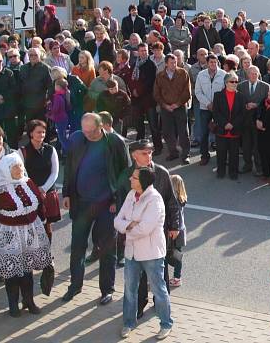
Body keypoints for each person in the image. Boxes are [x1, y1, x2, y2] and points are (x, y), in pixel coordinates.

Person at [62, 113, 131, 304]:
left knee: (106, 248)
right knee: (78, 247)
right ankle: (75, 286)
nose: (87, 135)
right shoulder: (77, 138)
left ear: (101, 127)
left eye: (91, 131)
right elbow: (69, 166)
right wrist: (66, 193)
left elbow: (125, 173)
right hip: (81, 202)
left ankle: (107, 290)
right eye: (84, 131)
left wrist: (118, 202)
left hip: (106, 204)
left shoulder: (115, 143)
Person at [0, 152, 52, 317]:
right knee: (12, 271)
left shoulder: (28, 183)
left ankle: (29, 301)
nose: (19, 169)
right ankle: (13, 305)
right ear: (6, 169)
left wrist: (45, 228)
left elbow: (40, 206)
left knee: (27, 269)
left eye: (20, 165)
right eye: (14, 167)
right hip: (9, 235)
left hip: (29, 233)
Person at [114, 167, 172, 340]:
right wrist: (129, 224)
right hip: (132, 252)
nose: (130, 179)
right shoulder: (131, 194)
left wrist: (128, 226)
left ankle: (166, 323)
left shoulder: (155, 200)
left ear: (143, 182)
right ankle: (129, 323)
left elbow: (145, 228)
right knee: (130, 289)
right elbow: (118, 220)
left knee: (158, 290)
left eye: (134, 178)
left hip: (151, 254)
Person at [20, 120, 61, 240]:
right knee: (30, 227)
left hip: (47, 193)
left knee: (47, 226)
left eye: (43, 132)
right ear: (31, 133)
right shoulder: (22, 152)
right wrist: (34, 189)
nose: (41, 135)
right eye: (38, 132)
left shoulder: (50, 150)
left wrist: (43, 188)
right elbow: (21, 175)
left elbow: (55, 172)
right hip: (30, 194)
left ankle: (47, 256)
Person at [154, 54, 191, 164]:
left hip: (180, 107)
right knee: (167, 132)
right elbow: (156, 93)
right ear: (166, 63)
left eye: (175, 62)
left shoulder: (183, 73)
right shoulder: (160, 76)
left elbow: (187, 91)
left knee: (183, 132)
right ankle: (173, 152)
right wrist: (165, 105)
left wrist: (178, 104)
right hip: (166, 108)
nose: (174, 64)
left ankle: (185, 154)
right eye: (171, 63)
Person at [212, 71, 246, 180]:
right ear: (226, 82)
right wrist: (225, 124)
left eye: (236, 81)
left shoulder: (240, 96)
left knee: (234, 154)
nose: (235, 83)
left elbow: (242, 113)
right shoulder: (218, 95)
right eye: (232, 81)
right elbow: (216, 113)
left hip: (235, 130)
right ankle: (221, 171)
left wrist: (233, 124)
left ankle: (233, 172)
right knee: (221, 153)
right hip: (222, 130)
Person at [195, 54, 227, 165]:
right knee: (204, 133)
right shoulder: (201, 75)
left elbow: (225, 92)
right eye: (211, 62)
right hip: (205, 108)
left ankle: (222, 156)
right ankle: (204, 155)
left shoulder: (223, 75)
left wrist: (217, 105)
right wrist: (208, 103)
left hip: (219, 110)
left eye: (215, 62)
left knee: (221, 133)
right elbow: (198, 92)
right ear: (207, 63)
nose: (213, 64)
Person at [238, 66, 270, 175]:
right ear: (247, 74)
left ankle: (259, 167)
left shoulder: (266, 87)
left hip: (258, 120)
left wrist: (256, 105)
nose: (253, 75)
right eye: (251, 73)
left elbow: (268, 102)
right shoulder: (241, 86)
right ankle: (247, 165)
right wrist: (245, 105)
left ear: (259, 74)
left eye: (256, 73)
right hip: (245, 120)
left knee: (258, 146)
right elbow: (238, 101)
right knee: (246, 145)